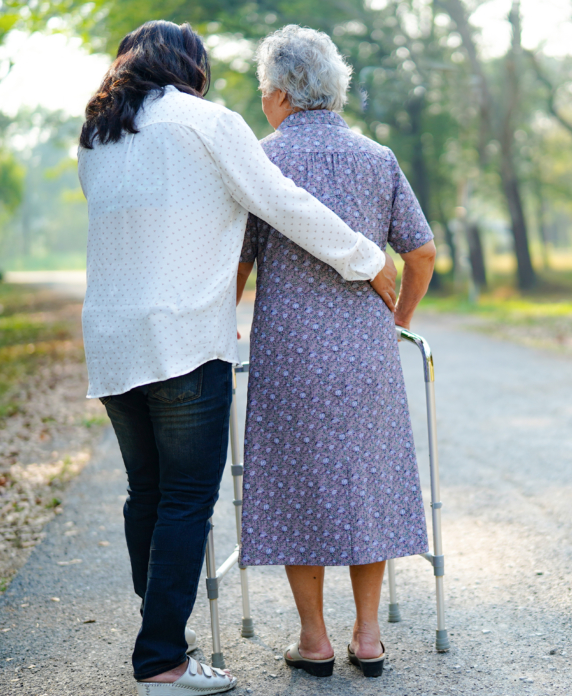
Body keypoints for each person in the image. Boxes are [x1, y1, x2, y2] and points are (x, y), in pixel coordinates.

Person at [78, 20, 397, 696]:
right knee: (187, 501)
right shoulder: (207, 122)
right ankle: (162, 660)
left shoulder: (98, 133)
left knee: (148, 495)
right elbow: (282, 203)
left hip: (111, 340)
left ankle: (162, 635)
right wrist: (368, 258)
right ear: (189, 66)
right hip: (185, 340)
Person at [234, 25, 437, 679]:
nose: (264, 100)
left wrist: (224, 321)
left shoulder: (259, 161)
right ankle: (370, 635)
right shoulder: (377, 158)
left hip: (288, 353)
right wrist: (398, 319)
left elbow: (236, 263)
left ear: (284, 94)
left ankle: (315, 639)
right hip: (365, 354)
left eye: (265, 89)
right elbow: (422, 251)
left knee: (299, 484)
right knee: (366, 482)